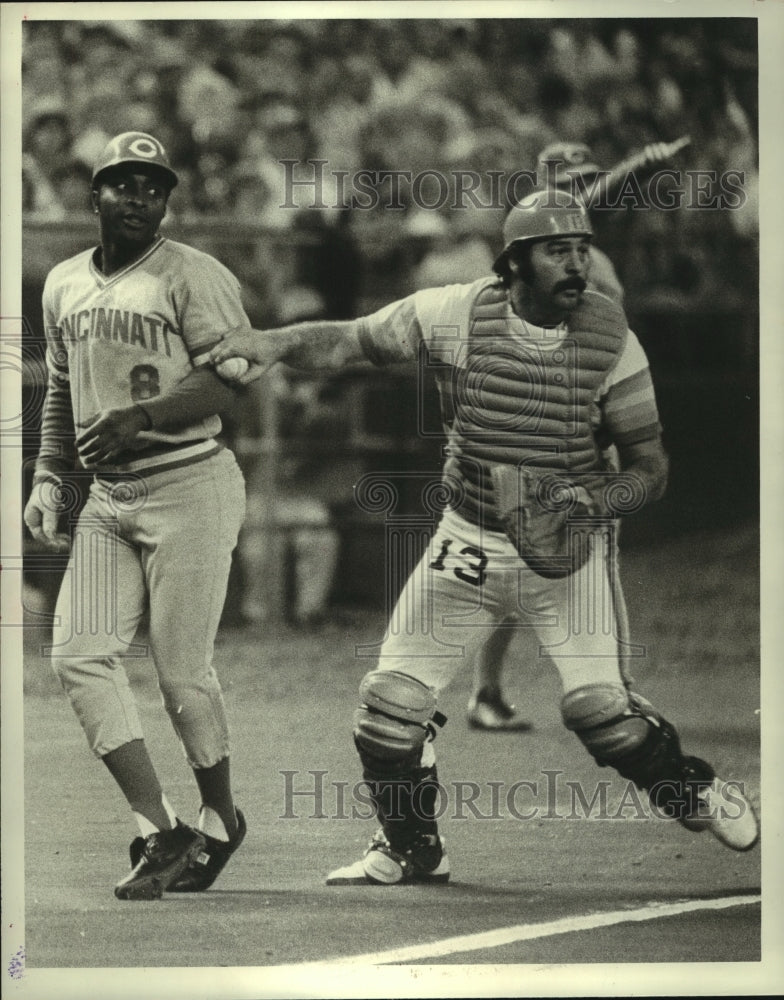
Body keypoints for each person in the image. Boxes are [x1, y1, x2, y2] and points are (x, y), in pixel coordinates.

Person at [211, 188, 759, 884]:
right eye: (558, 251)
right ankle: (411, 849)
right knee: (388, 711)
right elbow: (350, 341)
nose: (576, 266)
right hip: (469, 537)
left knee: (602, 718)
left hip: (567, 551)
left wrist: (594, 499)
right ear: (515, 263)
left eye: (582, 251)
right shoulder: (455, 313)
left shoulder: (612, 339)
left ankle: (694, 790)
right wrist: (273, 343)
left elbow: (650, 466)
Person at [23, 132, 249, 900]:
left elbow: (232, 380)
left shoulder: (194, 274)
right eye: (123, 184)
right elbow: (60, 388)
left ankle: (220, 820)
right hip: (109, 498)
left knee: (181, 672)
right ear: (95, 194)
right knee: (78, 654)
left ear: (166, 201)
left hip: (190, 483)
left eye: (152, 188)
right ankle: (161, 829)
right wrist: (50, 472)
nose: (137, 198)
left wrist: (145, 417)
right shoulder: (61, 283)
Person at [466, 138, 685, 731]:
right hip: (553, 420)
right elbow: (570, 204)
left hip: (583, 411)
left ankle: (497, 691)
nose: (574, 192)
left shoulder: (585, 257)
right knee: (560, 553)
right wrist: (634, 166)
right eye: (564, 180)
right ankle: (611, 692)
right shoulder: (526, 245)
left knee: (536, 557)